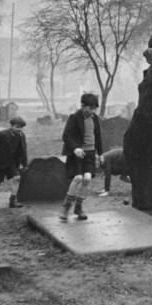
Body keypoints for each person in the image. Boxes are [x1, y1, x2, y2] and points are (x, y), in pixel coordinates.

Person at [60, 93, 103, 221]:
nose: (92, 111)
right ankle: (66, 208)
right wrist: (75, 148)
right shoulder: (74, 117)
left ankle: (78, 207)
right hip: (78, 153)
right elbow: (66, 136)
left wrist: (100, 154)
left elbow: (98, 136)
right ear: (83, 106)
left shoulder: (94, 118)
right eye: (90, 108)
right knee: (78, 178)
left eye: (94, 108)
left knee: (87, 179)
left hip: (90, 153)